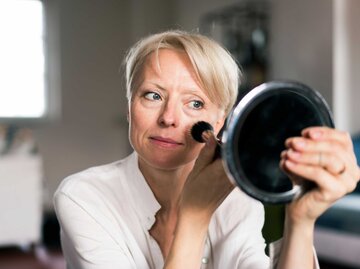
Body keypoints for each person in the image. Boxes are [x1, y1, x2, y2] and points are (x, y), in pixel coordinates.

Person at [54, 30, 360, 269]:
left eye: (195, 103)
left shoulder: (239, 200)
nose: (169, 118)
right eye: (152, 95)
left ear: (220, 120)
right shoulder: (83, 197)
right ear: (129, 106)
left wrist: (301, 220)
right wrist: (195, 217)